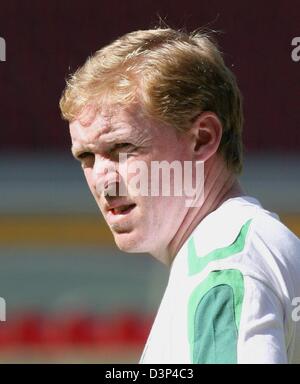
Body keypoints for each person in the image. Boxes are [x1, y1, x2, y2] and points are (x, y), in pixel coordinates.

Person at [59, 28, 300, 363]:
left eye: (123, 148)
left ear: (202, 139)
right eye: (86, 156)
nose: (103, 179)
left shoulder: (222, 267)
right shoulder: (245, 246)